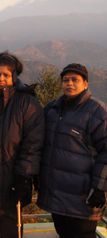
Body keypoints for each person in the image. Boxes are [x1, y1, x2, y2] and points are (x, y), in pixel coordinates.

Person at [0, 52, 44, 238]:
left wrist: (24, 178)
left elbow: (32, 145)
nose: (1, 78)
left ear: (14, 77)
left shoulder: (27, 104)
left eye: (6, 75)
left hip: (11, 181)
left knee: (11, 229)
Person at [38, 63, 107, 238]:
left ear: (85, 84)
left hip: (84, 199)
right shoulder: (52, 109)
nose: (69, 83)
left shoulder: (98, 112)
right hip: (57, 197)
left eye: (75, 80)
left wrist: (100, 188)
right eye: (66, 80)